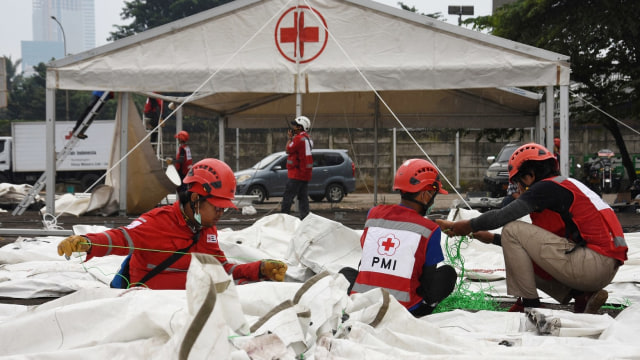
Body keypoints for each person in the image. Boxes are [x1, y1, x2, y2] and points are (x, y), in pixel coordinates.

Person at [436, 143, 628, 314]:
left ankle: (530, 304)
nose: (519, 190)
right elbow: (538, 247)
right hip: (604, 267)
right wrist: (488, 237)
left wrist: (464, 225)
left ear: (530, 176)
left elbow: (502, 217)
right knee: (519, 243)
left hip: (592, 265)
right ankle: (582, 298)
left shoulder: (545, 188)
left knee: (512, 228)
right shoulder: (567, 187)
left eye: (519, 183)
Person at [57, 158, 288, 289]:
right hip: (150, 311)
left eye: (224, 207)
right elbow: (122, 237)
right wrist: (86, 242)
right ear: (196, 198)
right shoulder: (157, 222)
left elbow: (222, 270)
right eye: (217, 206)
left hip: (189, 308)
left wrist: (258, 269)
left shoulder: (206, 230)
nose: (221, 213)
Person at [339, 159, 457, 317]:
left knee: (345, 272)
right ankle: (425, 308)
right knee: (448, 273)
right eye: (433, 195)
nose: (433, 201)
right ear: (424, 195)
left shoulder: (373, 215)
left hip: (363, 301)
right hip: (405, 309)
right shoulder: (430, 230)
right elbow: (426, 282)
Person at [281, 115, 313, 219]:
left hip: (296, 174)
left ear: (300, 127)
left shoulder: (298, 139)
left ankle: (284, 218)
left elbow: (287, 149)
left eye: (295, 126)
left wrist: (290, 138)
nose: (293, 128)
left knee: (288, 197)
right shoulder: (308, 139)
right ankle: (305, 218)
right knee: (303, 197)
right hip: (305, 174)